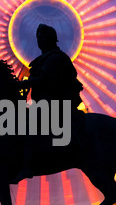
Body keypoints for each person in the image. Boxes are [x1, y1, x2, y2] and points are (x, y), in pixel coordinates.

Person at [14, 24, 84, 181]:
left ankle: (27, 165)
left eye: (42, 38)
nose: (39, 41)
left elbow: (43, 80)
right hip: (47, 101)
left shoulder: (54, 58)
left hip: (56, 102)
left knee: (29, 124)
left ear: (50, 39)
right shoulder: (47, 58)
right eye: (38, 38)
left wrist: (23, 84)